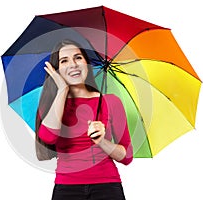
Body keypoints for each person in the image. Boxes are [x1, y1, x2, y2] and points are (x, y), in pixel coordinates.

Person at [35, 39, 133, 200]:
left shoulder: (111, 102)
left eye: (78, 57)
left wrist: (102, 141)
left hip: (107, 187)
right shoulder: (53, 103)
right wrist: (62, 90)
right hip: (66, 189)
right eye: (64, 61)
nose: (73, 64)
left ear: (86, 63)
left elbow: (127, 156)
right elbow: (48, 137)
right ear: (57, 70)